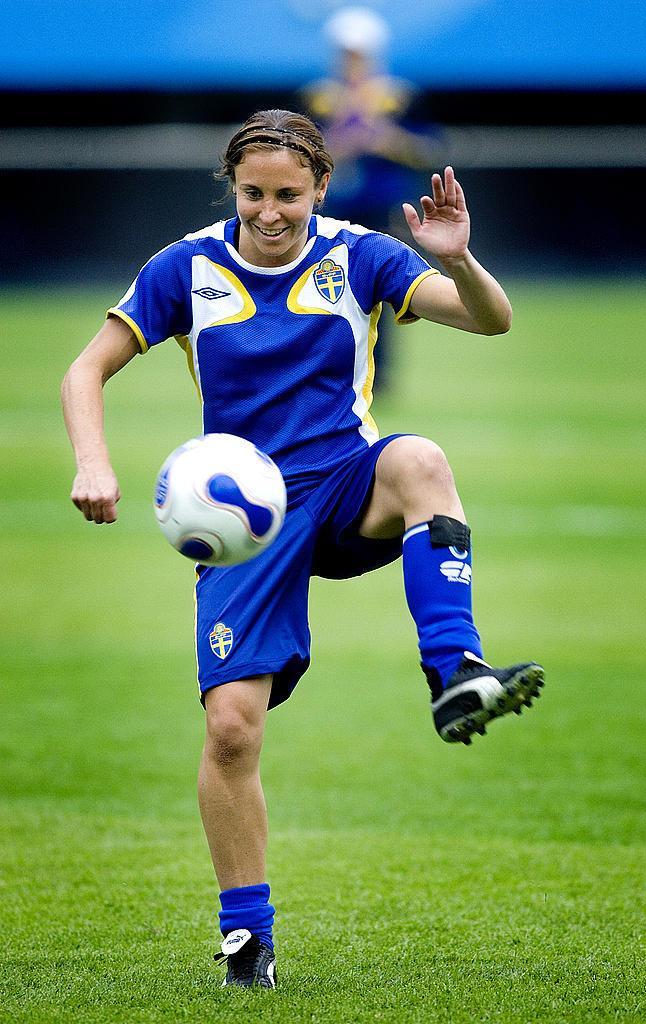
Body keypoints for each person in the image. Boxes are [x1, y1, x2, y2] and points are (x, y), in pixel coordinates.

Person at [61, 109, 544, 991]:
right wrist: (94, 462)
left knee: (421, 459)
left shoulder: (360, 253)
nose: (269, 212)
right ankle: (248, 941)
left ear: (321, 186)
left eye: (288, 194)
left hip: (343, 487)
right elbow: (84, 368)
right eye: (252, 194)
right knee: (233, 731)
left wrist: (458, 259)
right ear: (231, 187)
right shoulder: (187, 267)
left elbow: (492, 321)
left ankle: (455, 670)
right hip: (243, 518)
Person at [302, 7, 439, 391]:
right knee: (324, 289)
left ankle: (381, 375)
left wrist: (387, 140)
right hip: (330, 206)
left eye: (359, 53)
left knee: (385, 287)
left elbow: (428, 149)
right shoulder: (320, 98)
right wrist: (340, 146)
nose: (353, 62)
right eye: (347, 53)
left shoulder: (398, 97)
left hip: (382, 204)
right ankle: (328, 371)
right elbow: (300, 153)